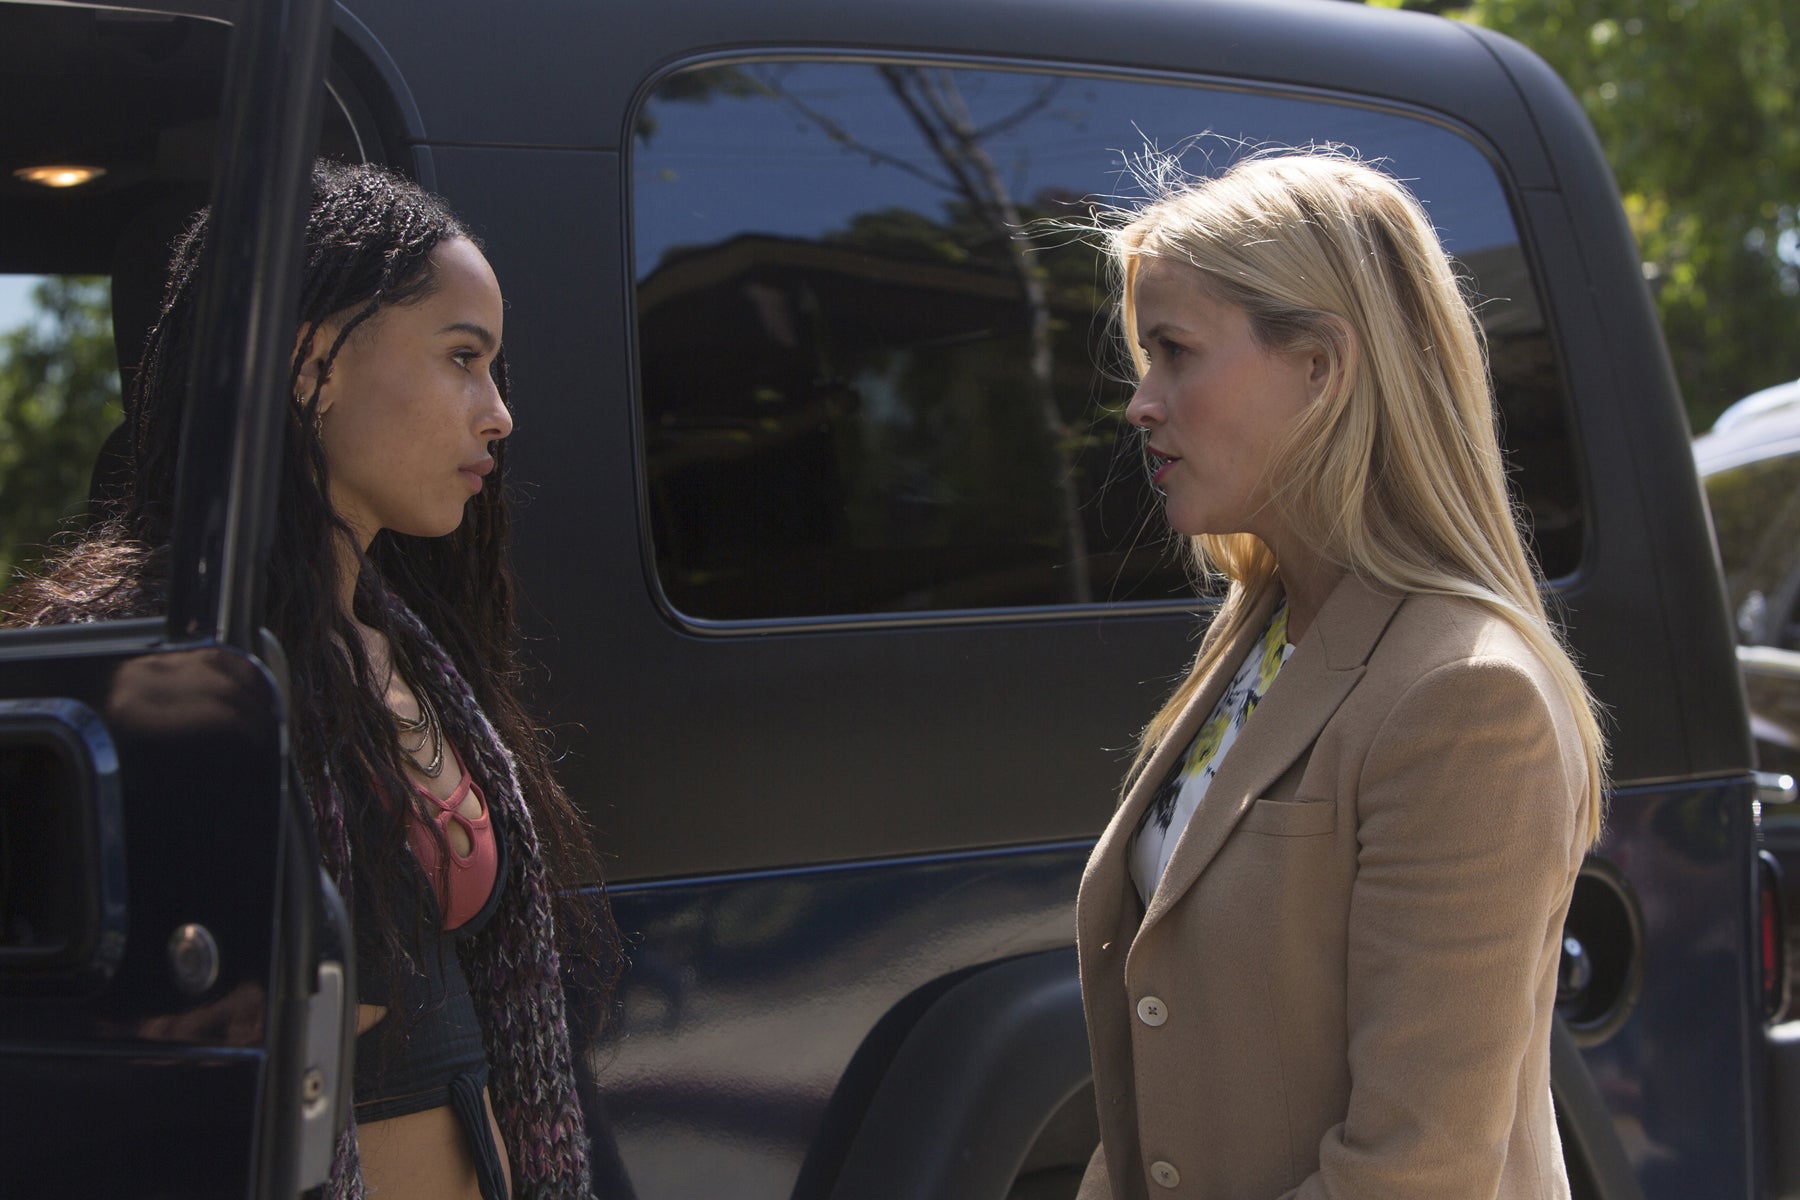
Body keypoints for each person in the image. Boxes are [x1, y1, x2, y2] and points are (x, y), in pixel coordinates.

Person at [6, 161, 613, 1200]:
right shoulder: (150, 668)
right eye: (464, 359)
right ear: (311, 364)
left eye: (496, 369)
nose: (498, 412)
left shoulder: (408, 648)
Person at [1073, 149, 1606, 1200]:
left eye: (1174, 351)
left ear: (1322, 367)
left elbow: (1415, 1170)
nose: (1141, 403)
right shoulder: (1270, 630)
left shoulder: (1467, 696)